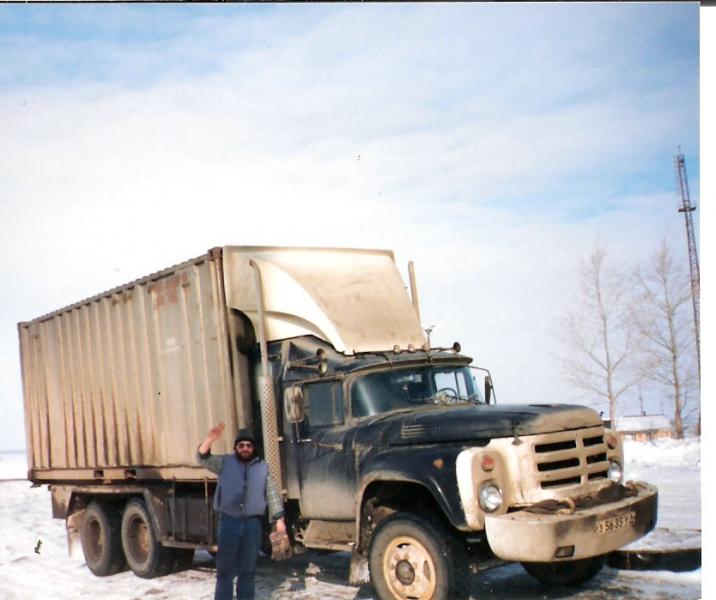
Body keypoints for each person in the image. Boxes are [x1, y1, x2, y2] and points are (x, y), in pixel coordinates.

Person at [197, 422, 286, 600]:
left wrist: (279, 520)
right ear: (235, 447)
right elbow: (203, 458)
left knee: (248, 571)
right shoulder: (224, 463)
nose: (245, 448)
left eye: (249, 445)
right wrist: (209, 439)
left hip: (252, 525)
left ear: (253, 448)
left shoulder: (262, 468)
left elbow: (272, 493)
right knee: (225, 572)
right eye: (241, 445)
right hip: (229, 523)